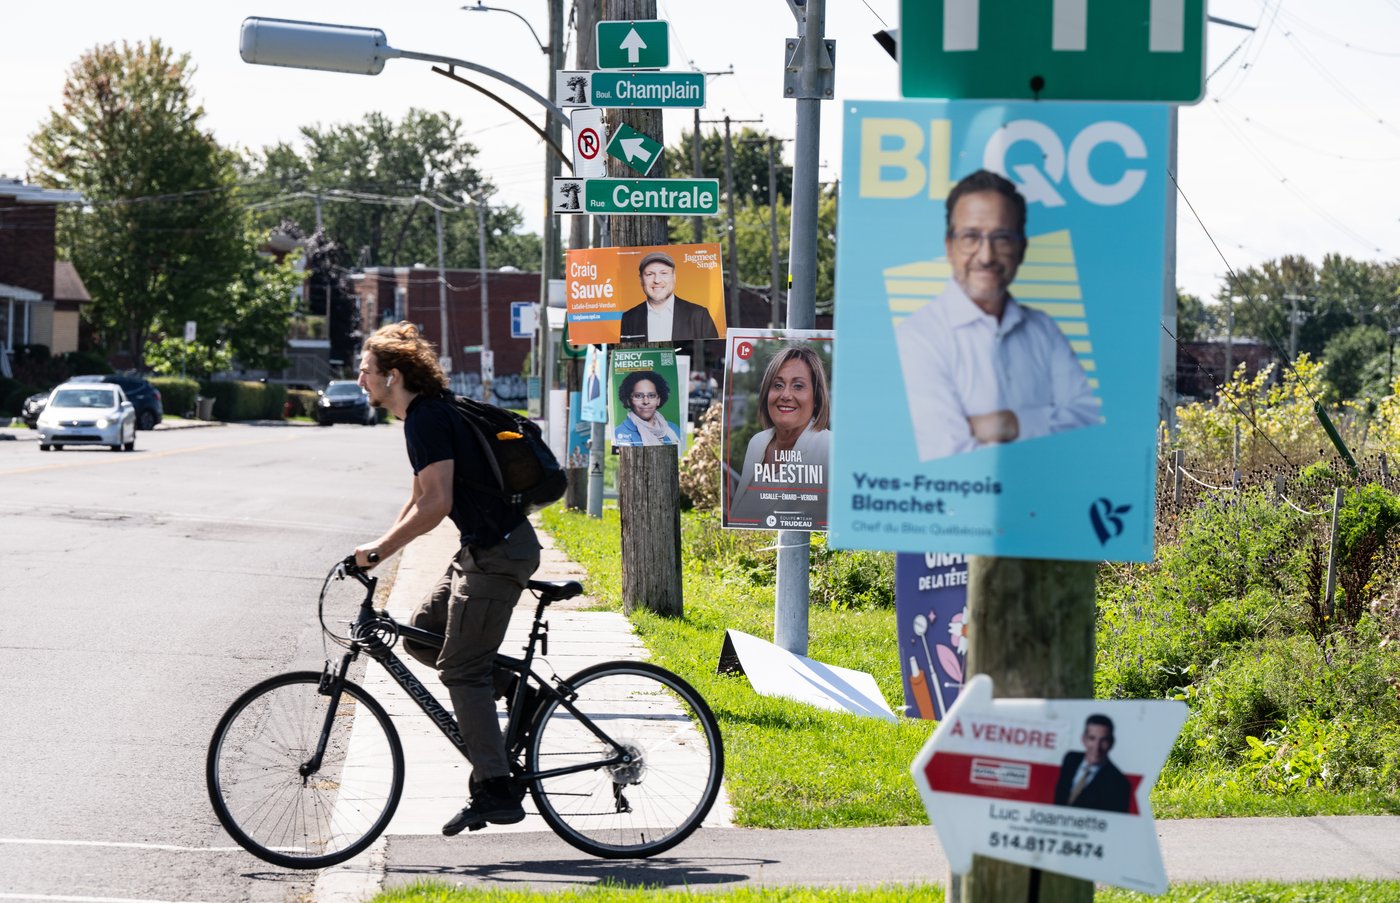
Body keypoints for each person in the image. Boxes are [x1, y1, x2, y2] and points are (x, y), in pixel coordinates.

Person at [352, 321, 542, 836]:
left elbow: (438, 504)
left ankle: (497, 788)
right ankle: (522, 693)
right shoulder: (422, 416)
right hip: (482, 549)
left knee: (461, 670)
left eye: (366, 371)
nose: (360, 379)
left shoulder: (427, 420)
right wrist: (378, 549)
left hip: (499, 555)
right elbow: (418, 496)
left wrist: (379, 551)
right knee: (420, 635)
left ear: (393, 376)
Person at [894, 169, 1100, 462]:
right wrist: (1046, 429)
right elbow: (950, 457)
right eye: (971, 237)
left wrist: (1010, 423)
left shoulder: (1044, 329)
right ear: (949, 247)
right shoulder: (916, 337)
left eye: (1001, 238)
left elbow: (1090, 424)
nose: (986, 256)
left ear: (1021, 248)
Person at [728, 345, 831, 526]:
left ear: (816, 398)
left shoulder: (830, 448)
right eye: (778, 385)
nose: (785, 395)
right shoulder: (757, 443)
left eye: (798, 386)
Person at [619, 252, 720, 343]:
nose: (657, 280)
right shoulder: (629, 318)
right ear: (641, 280)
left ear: (674, 277)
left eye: (664, 273)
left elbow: (713, 353)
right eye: (650, 274)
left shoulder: (698, 315)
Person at [1053, 714, 1132, 813]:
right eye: (1092, 738)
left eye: (1104, 740)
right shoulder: (1070, 759)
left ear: (1112, 743)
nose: (1097, 747)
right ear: (1083, 739)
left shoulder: (1119, 784)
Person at [613, 370, 682, 446]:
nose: (646, 401)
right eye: (638, 396)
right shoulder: (622, 432)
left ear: (658, 400)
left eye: (651, 395)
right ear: (628, 400)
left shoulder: (673, 428)